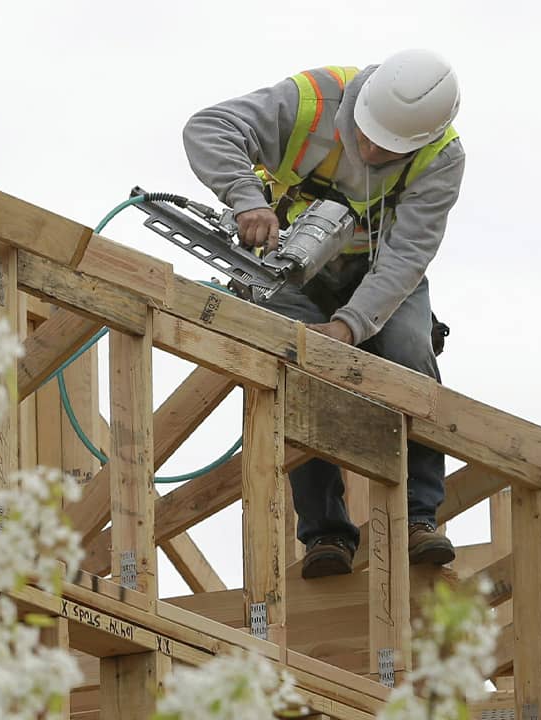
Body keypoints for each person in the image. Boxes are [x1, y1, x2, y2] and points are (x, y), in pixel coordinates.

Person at [182, 49, 465, 578]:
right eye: (367, 136)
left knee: (409, 353)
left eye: (389, 149)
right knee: (299, 369)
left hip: (379, 271)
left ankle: (419, 518)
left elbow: (407, 256)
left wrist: (350, 325)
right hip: (293, 263)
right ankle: (325, 534)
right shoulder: (312, 101)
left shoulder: (440, 157)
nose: (372, 150)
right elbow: (210, 127)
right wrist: (246, 199)